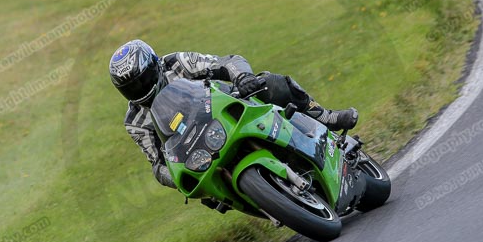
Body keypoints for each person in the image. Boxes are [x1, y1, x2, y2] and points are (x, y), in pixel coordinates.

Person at [109, 39, 358, 188]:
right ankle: (267, 201)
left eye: (143, 80)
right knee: (208, 194)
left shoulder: (177, 62)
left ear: (155, 66)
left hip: (228, 107)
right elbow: (156, 165)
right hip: (199, 152)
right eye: (131, 88)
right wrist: (176, 178)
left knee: (269, 83)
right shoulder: (135, 122)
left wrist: (243, 77)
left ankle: (326, 117)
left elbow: (227, 61)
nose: (141, 90)